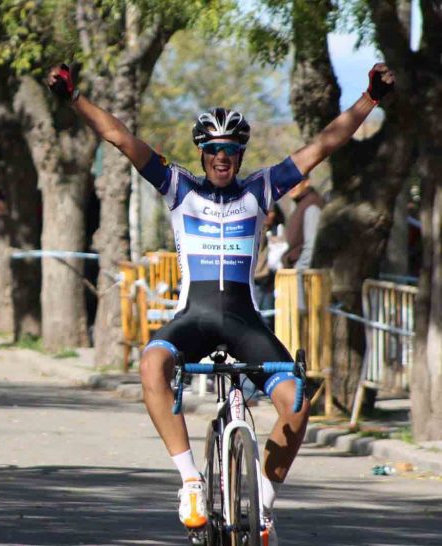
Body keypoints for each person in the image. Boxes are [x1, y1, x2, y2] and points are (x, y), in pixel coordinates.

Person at [48, 62, 394, 544]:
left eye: (230, 150)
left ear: (240, 153)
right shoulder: (178, 188)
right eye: (213, 150)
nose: (221, 158)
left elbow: (324, 145)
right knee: (152, 364)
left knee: (296, 399)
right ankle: (191, 481)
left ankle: (265, 505)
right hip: (194, 318)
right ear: (203, 153)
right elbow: (122, 139)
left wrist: (368, 99)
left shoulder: (262, 188)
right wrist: (74, 98)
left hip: (244, 321)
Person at [255, 202, 286, 329]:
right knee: (255, 317)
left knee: (268, 319)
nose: (268, 215)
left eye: (271, 212)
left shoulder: (280, 230)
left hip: (271, 282)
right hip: (255, 280)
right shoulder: (255, 228)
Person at [282, 177, 323, 271]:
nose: (291, 187)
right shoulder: (300, 205)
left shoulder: (311, 205)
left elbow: (312, 245)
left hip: (306, 275)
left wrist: (299, 271)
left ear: (306, 182)